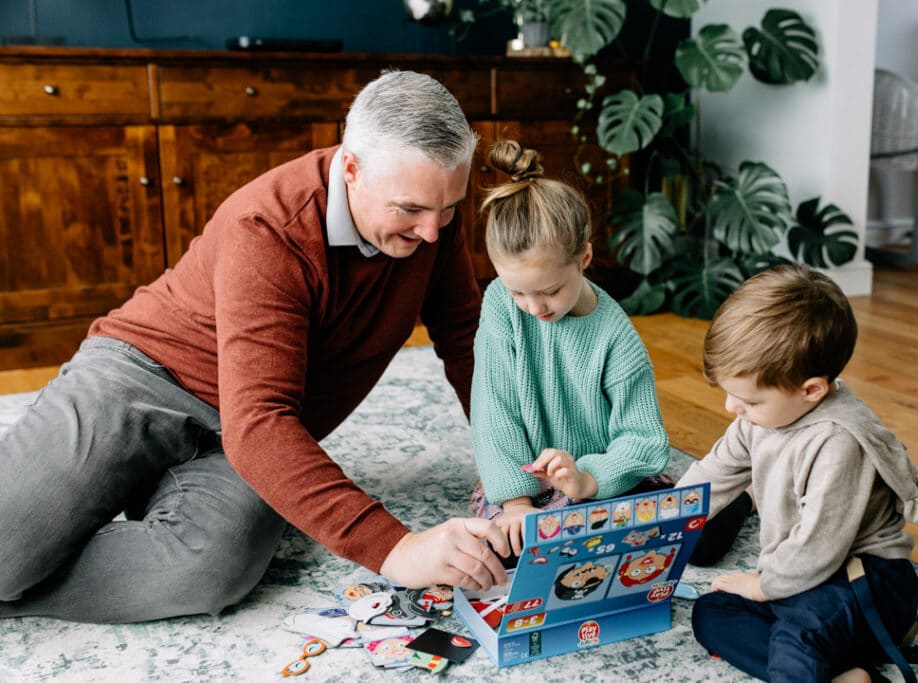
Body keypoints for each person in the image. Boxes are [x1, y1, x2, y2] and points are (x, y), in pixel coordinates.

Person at [0, 70, 511, 624]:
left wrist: (514, 471)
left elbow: (468, 344)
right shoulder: (268, 225)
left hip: (243, 431)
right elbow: (259, 420)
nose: (432, 232)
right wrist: (396, 549)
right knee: (6, 552)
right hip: (140, 378)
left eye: (448, 208)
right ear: (351, 169)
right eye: (409, 209)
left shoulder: (431, 221)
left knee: (210, 571)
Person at [676, 265, 918, 682]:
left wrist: (763, 586)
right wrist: (660, 520)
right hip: (801, 578)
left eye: (749, 400)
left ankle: (827, 663)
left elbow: (819, 546)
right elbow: (712, 474)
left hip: (866, 584)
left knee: (798, 636)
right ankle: (843, 675)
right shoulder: (759, 420)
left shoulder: (838, 442)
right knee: (712, 610)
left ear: (811, 389)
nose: (731, 409)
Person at [468, 139, 671, 556]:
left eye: (550, 291)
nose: (534, 307)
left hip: (602, 482)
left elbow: (643, 439)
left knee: (677, 529)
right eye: (518, 292)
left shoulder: (615, 336)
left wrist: (587, 479)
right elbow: (494, 412)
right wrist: (517, 504)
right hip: (528, 486)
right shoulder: (500, 306)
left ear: (584, 258)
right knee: (502, 546)